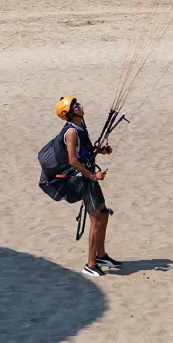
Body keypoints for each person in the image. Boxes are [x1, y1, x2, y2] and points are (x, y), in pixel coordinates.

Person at [55, 96, 118, 277]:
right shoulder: (71, 132)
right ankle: (90, 264)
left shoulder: (81, 127)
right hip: (81, 178)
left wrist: (101, 151)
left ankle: (101, 255)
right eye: (77, 106)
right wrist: (93, 176)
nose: (81, 107)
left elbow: (84, 151)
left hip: (87, 176)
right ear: (69, 113)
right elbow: (73, 160)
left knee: (104, 213)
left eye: (79, 104)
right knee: (96, 218)